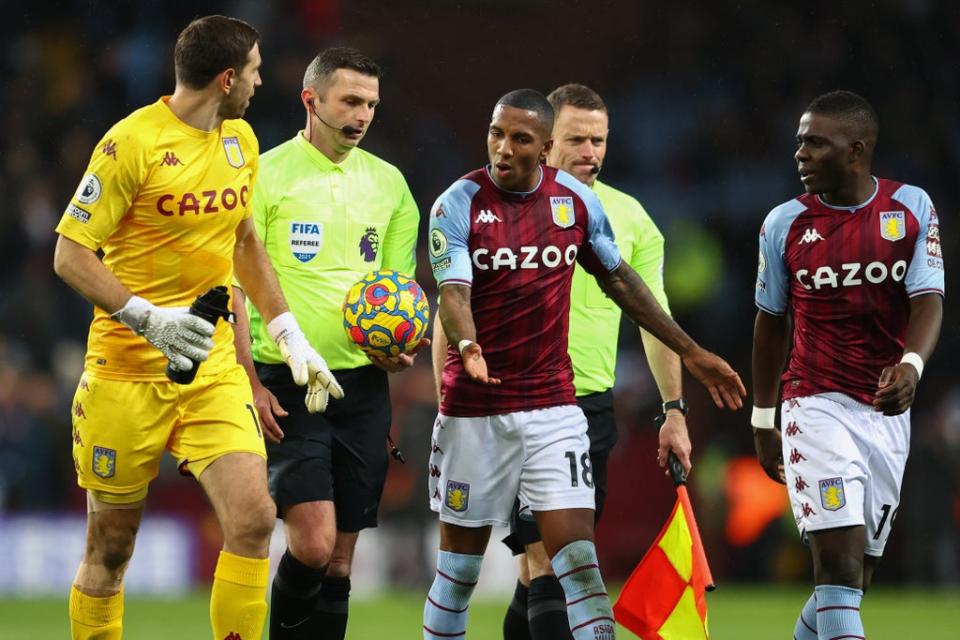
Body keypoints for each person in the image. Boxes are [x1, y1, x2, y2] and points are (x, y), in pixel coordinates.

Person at [53, 16, 342, 640]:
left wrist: (288, 334)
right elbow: (70, 254)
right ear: (227, 77)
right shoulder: (131, 142)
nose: (263, 82)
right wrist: (147, 320)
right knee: (111, 549)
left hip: (209, 369)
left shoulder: (241, 140)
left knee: (255, 518)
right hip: (126, 371)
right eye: (257, 70)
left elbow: (242, 241)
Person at [424, 88, 745, 640]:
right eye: (496, 134)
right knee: (460, 574)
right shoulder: (458, 202)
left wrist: (690, 354)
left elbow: (621, 281)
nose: (503, 148)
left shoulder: (576, 203)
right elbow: (452, 293)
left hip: (557, 408)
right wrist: (468, 350)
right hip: (476, 409)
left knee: (576, 565)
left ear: (541, 146)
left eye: (519, 138)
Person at [231, 47, 421, 640]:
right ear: (311, 100)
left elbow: (401, 291)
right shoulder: (263, 174)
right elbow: (234, 288)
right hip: (286, 380)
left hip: (362, 387)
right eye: (350, 101)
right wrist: (251, 381)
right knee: (311, 545)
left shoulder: (389, 184)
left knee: (340, 561)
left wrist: (400, 347)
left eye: (371, 104)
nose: (362, 115)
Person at [752, 90, 944, 640]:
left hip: (884, 412)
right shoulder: (783, 224)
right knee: (835, 565)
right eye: (799, 143)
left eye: (816, 143)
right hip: (814, 403)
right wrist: (763, 420)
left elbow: (928, 296)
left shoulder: (910, 207)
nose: (801, 154)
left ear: (856, 150)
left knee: (855, 578)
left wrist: (910, 366)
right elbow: (769, 325)